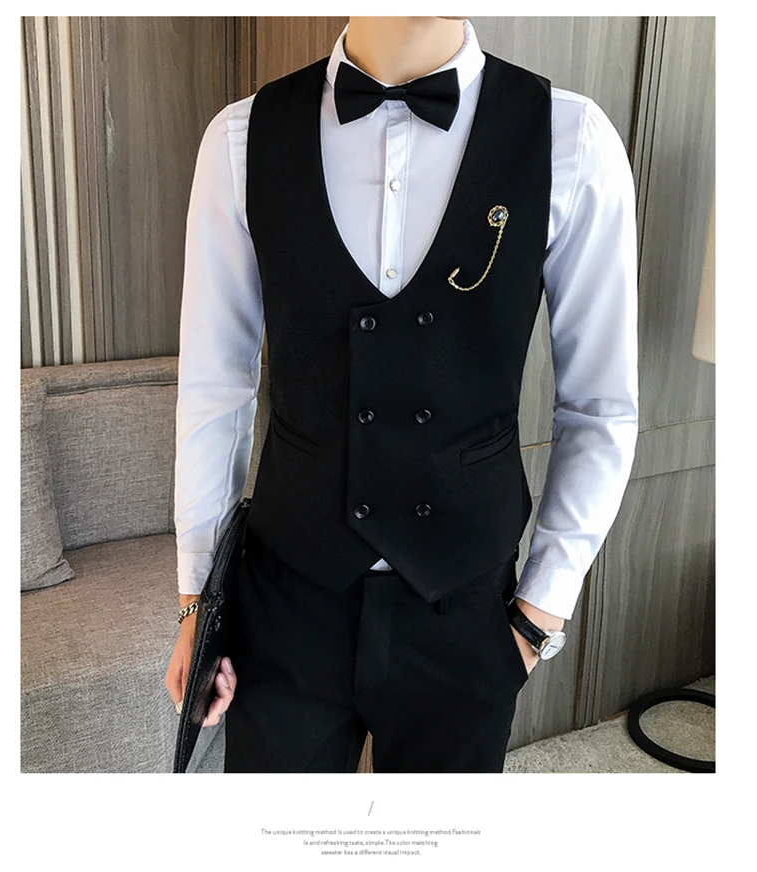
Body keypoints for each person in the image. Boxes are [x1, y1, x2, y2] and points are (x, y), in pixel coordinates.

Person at [165, 16, 638, 773]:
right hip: (285, 608)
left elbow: (600, 406)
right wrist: (200, 601)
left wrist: (535, 617)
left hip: (466, 618)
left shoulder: (571, 140)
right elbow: (215, 387)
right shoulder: (240, 139)